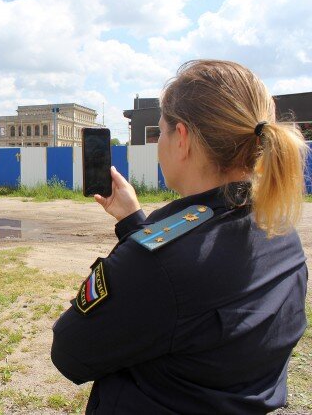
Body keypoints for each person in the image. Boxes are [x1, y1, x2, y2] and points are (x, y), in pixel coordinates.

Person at [51, 60, 309, 414]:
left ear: (182, 138)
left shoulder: (159, 265)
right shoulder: (281, 234)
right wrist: (132, 222)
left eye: (160, 132)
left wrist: (138, 247)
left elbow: (69, 352)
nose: (159, 144)